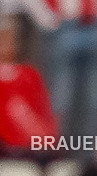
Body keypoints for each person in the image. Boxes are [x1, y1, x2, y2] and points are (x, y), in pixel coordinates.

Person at [27, 0, 97, 141]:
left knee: (96, 98)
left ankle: (90, 154)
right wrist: (47, 18)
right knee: (59, 97)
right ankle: (54, 152)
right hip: (64, 26)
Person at [0, 13, 57, 158]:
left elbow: (45, 117)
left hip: (33, 150)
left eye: (9, 35)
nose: (5, 42)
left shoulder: (30, 75)